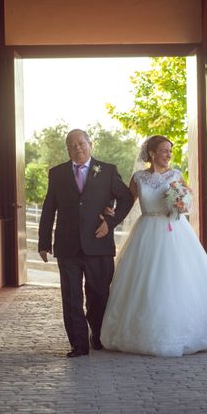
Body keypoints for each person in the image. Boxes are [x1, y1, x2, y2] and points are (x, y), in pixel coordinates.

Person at [100, 135, 207, 357]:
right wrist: (111, 213)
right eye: (164, 150)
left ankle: (183, 330)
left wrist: (181, 203)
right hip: (146, 232)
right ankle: (142, 332)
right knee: (146, 281)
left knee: (175, 278)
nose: (168, 155)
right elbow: (127, 203)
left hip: (174, 231)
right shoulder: (138, 178)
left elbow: (187, 203)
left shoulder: (176, 175)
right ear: (152, 153)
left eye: (170, 151)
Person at [38, 129, 134, 357]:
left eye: (81, 143)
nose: (77, 148)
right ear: (67, 149)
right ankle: (78, 344)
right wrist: (43, 241)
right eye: (72, 145)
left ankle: (98, 335)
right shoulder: (57, 173)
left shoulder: (108, 171)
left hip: (98, 244)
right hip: (67, 246)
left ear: (90, 144)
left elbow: (127, 198)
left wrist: (110, 222)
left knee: (99, 295)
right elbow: (49, 207)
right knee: (71, 297)